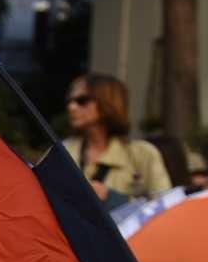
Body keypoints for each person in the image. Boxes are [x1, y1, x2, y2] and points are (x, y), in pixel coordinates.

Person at [62, 73, 172, 206]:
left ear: (108, 102)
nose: (72, 107)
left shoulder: (143, 154)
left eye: (82, 101)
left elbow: (164, 206)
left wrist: (112, 198)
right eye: (69, 101)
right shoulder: (62, 152)